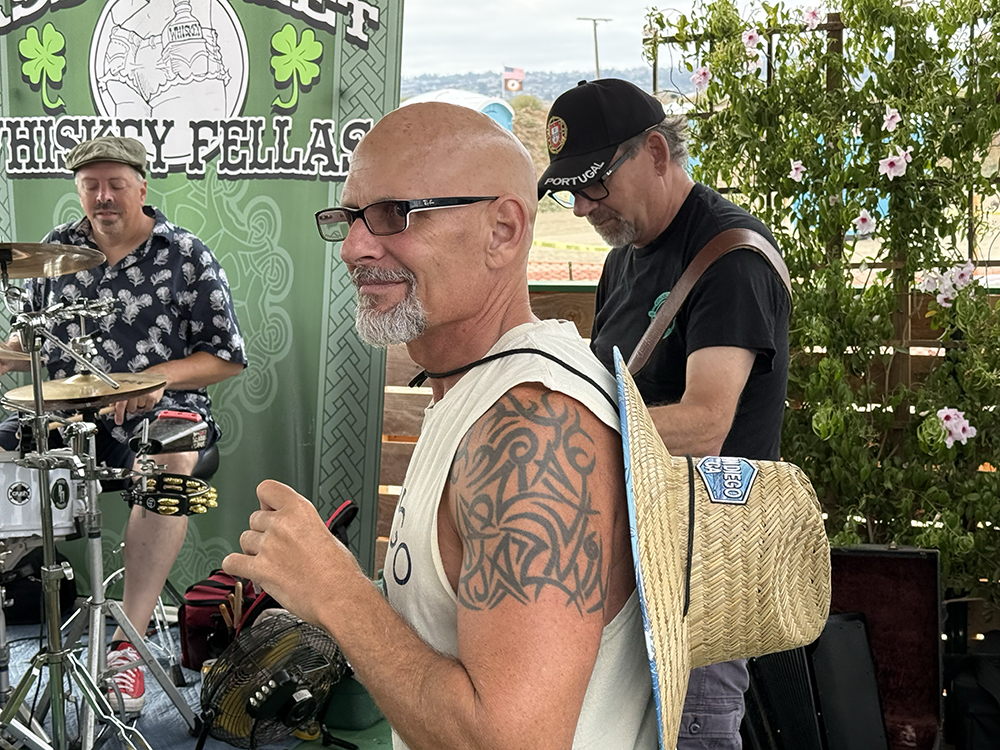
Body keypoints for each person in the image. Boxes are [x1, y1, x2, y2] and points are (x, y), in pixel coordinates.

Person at [224, 102, 657, 750]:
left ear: (503, 231)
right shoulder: (480, 389)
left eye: (395, 214)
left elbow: (512, 742)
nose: (354, 247)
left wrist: (337, 593)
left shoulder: (532, 424)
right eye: (350, 217)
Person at [538, 79, 790, 749]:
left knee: (692, 732)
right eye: (570, 191)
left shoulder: (731, 258)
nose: (583, 207)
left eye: (595, 184)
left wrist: (564, 431)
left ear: (655, 152)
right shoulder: (623, 258)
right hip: (631, 560)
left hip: (699, 571)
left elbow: (706, 422)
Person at [0, 136, 247, 713]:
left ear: (141, 186)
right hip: (68, 411)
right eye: (91, 186)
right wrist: (10, 354)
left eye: (115, 184)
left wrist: (154, 378)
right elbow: (32, 339)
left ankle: (127, 646)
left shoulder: (185, 254)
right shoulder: (57, 249)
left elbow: (226, 358)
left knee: (171, 450)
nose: (103, 196)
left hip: (160, 409)